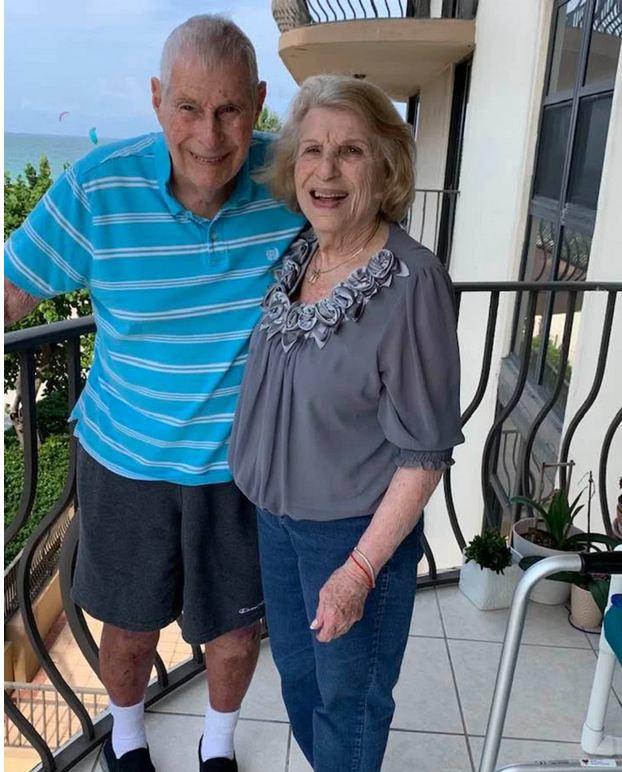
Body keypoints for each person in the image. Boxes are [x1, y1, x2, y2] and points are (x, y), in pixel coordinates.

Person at [4, 15, 304, 772]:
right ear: (156, 99)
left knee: (236, 632)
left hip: (241, 470)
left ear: (259, 101)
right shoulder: (99, 185)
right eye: (188, 107)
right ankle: (128, 738)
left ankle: (217, 746)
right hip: (125, 460)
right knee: (130, 629)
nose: (210, 134)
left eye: (230, 109)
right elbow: (10, 293)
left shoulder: (291, 178)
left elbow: (366, 233)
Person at [229, 74, 464, 772]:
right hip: (277, 525)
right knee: (300, 684)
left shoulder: (411, 282)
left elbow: (424, 456)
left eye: (350, 152)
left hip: (352, 537)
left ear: (385, 167)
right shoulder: (303, 253)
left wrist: (358, 571)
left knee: (350, 704)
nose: (326, 170)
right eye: (312, 150)